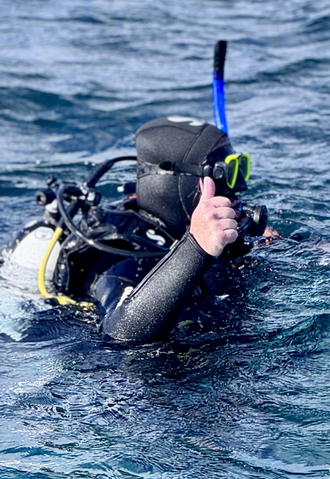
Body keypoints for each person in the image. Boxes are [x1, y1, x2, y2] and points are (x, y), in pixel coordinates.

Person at [2, 115, 267, 342]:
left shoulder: (190, 228)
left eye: (240, 167)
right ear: (177, 182)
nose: (238, 186)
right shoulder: (122, 259)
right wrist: (197, 247)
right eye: (226, 172)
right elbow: (120, 335)